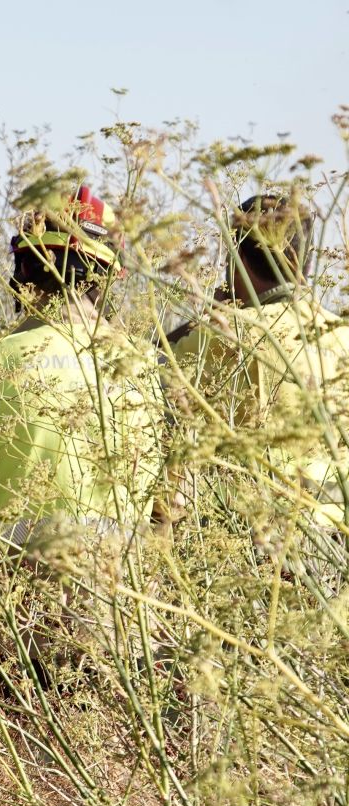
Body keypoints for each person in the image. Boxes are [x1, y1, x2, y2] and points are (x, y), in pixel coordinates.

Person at [0, 184, 168, 677]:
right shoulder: (151, 368)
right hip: (127, 630)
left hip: (16, 632)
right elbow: (169, 512)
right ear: (106, 275)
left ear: (23, 270)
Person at [167, 193, 348, 592]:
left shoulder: (229, 335)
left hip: (257, 544)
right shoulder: (341, 335)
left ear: (238, 260)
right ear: (304, 262)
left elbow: (149, 370)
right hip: (336, 544)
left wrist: (205, 319)